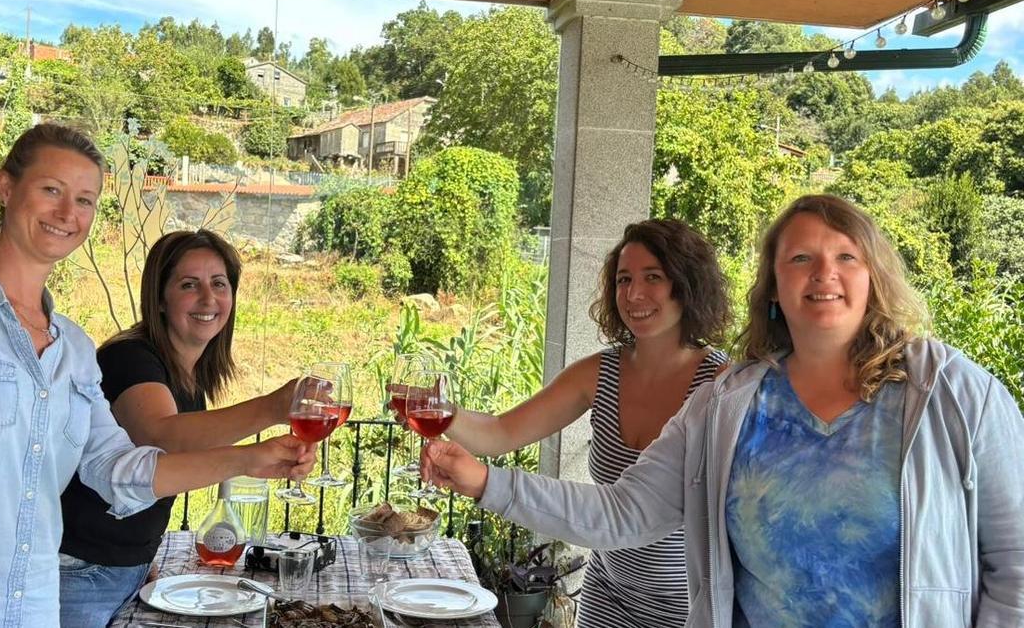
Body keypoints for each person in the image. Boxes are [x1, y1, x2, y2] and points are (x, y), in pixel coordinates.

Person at [423, 194, 1024, 627]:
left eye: (846, 257)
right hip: (616, 604)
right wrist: (482, 480)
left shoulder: (952, 393)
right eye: (799, 259)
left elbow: (1015, 563)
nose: (823, 274)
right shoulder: (730, 403)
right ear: (774, 285)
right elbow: (622, 511)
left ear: (875, 274)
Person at [0, 124, 316, 628]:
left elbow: (123, 472)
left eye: (84, 200)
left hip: (33, 603)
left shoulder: (73, 349)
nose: (67, 214)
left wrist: (252, 459)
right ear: (6, 188)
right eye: (51, 190)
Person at [439, 219, 730, 627]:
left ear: (687, 284)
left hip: (688, 608)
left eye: (653, 277)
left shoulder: (720, 387)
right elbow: (500, 433)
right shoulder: (600, 373)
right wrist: (441, 414)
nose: (633, 294)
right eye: (623, 280)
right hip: (608, 595)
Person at [58, 229, 298, 627]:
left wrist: (139, 560)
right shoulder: (130, 357)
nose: (209, 298)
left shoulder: (187, 375)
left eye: (219, 284)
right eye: (190, 285)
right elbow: (162, 441)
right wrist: (273, 409)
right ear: (160, 299)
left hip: (119, 569)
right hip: (80, 570)